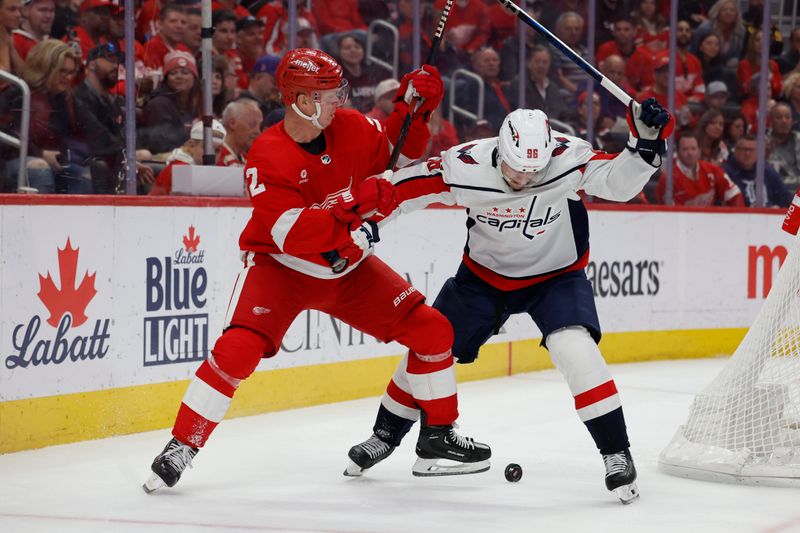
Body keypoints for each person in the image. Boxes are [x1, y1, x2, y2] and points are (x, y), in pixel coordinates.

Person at [142, 48, 491, 493]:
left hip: (348, 268)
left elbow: (397, 157)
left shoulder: (351, 126)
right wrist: (356, 203)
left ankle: (438, 436)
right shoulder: (267, 155)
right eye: (329, 94)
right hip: (281, 268)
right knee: (237, 351)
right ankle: (181, 445)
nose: (339, 101)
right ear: (301, 100)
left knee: (432, 331)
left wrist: (414, 111)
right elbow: (296, 236)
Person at [344, 99, 674, 504]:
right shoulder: (466, 165)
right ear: (500, 149)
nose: (522, 179)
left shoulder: (569, 158)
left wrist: (645, 145)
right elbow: (403, 187)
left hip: (556, 277)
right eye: (516, 168)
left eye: (534, 172)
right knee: (430, 347)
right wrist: (366, 222)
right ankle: (384, 435)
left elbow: (618, 185)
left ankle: (616, 454)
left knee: (577, 350)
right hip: (483, 278)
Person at [657, 130, 743, 206]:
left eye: (693, 148)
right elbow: (668, 213)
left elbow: (735, 195)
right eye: (685, 149)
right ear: (678, 152)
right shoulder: (667, 179)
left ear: (699, 151)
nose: (690, 153)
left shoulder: (712, 170)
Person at [148, 118, 226, 195]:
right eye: (207, 148)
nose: (213, 155)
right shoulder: (181, 168)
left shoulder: (207, 170)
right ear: (192, 146)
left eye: (217, 150)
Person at [724, 134, 791, 207]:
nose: (747, 153)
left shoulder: (767, 171)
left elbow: (785, 197)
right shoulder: (726, 173)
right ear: (735, 150)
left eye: (751, 150)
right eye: (744, 149)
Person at [217, 98, 262, 167]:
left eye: (260, 126)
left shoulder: (246, 159)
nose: (258, 132)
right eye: (252, 125)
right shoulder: (217, 158)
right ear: (232, 123)